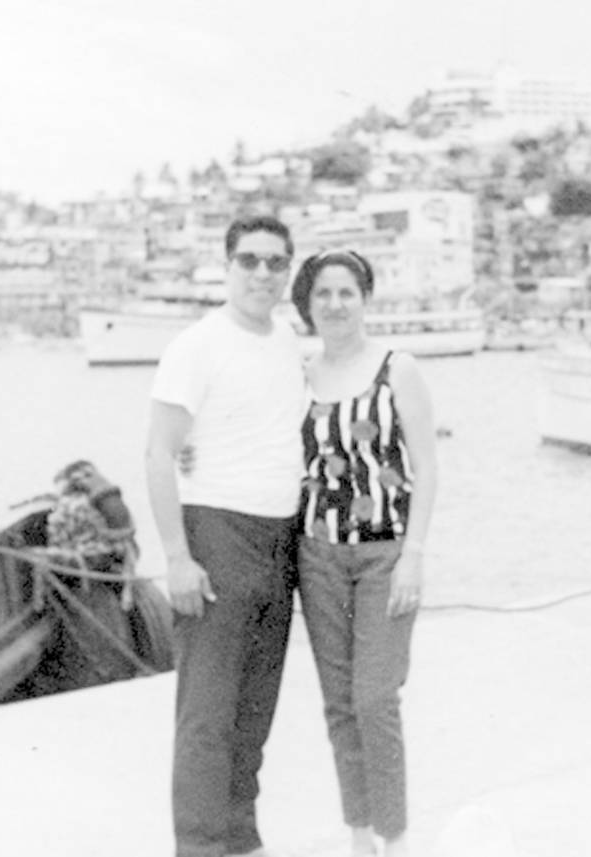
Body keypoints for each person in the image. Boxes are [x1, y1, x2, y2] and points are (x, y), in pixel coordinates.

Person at [144, 214, 304, 857]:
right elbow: (159, 453)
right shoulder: (197, 346)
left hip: (280, 538)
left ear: (288, 270)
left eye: (275, 261)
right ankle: (201, 846)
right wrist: (177, 557)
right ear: (228, 266)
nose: (263, 273)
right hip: (216, 531)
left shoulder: (287, 339)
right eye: (249, 260)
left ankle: (240, 837)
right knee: (207, 712)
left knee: (255, 705)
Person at [290, 250, 438, 857]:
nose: (334, 304)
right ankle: (358, 837)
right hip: (318, 555)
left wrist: (414, 555)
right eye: (322, 294)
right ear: (307, 305)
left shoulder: (397, 369)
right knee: (339, 705)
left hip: (385, 556)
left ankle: (394, 838)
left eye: (346, 292)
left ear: (365, 298)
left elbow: (427, 467)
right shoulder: (299, 375)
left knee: (375, 700)